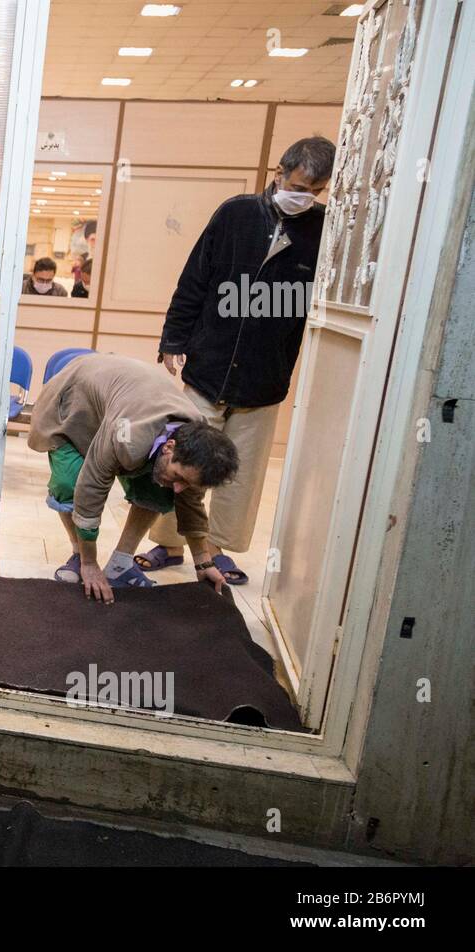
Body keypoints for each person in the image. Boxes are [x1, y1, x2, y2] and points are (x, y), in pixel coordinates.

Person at [137, 136, 334, 586]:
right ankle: (168, 543)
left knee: (239, 471)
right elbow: (194, 279)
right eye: (301, 185)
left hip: (265, 377)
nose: (307, 197)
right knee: (183, 459)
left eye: (317, 190)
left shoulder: (323, 228)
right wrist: (173, 340)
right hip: (209, 365)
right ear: (279, 171)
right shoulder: (237, 213)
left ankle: (216, 548)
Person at [28, 350, 238, 605]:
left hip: (126, 399)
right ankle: (77, 555)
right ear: (169, 447)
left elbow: (191, 502)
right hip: (75, 401)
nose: (180, 487)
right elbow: (91, 488)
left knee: (163, 488)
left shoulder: (195, 445)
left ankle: (121, 565)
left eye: (186, 481)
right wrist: (90, 561)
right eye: (179, 476)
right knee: (69, 484)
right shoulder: (128, 437)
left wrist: (203, 562)